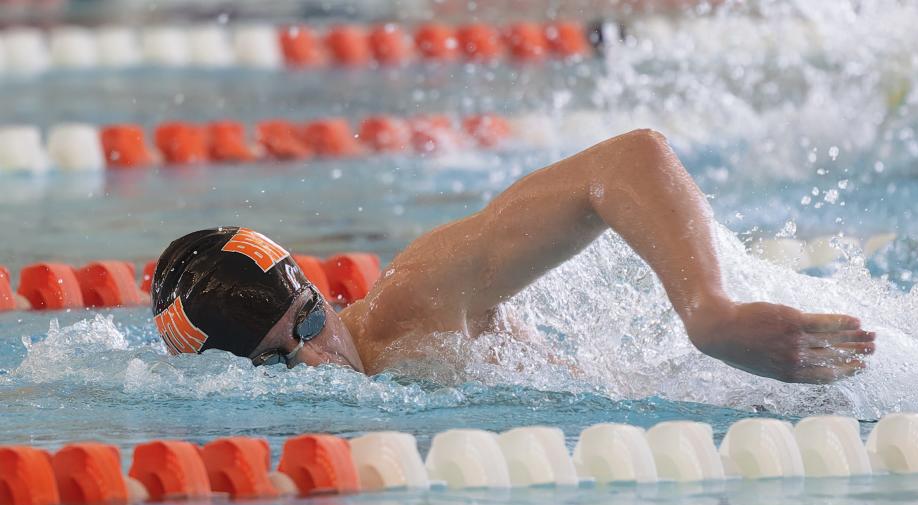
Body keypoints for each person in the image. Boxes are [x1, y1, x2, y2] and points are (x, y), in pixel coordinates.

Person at [153, 129, 875, 384]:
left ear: (317, 293)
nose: (317, 361)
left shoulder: (422, 298)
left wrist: (708, 313)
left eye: (308, 326)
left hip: (771, 369)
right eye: (278, 362)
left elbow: (630, 158)